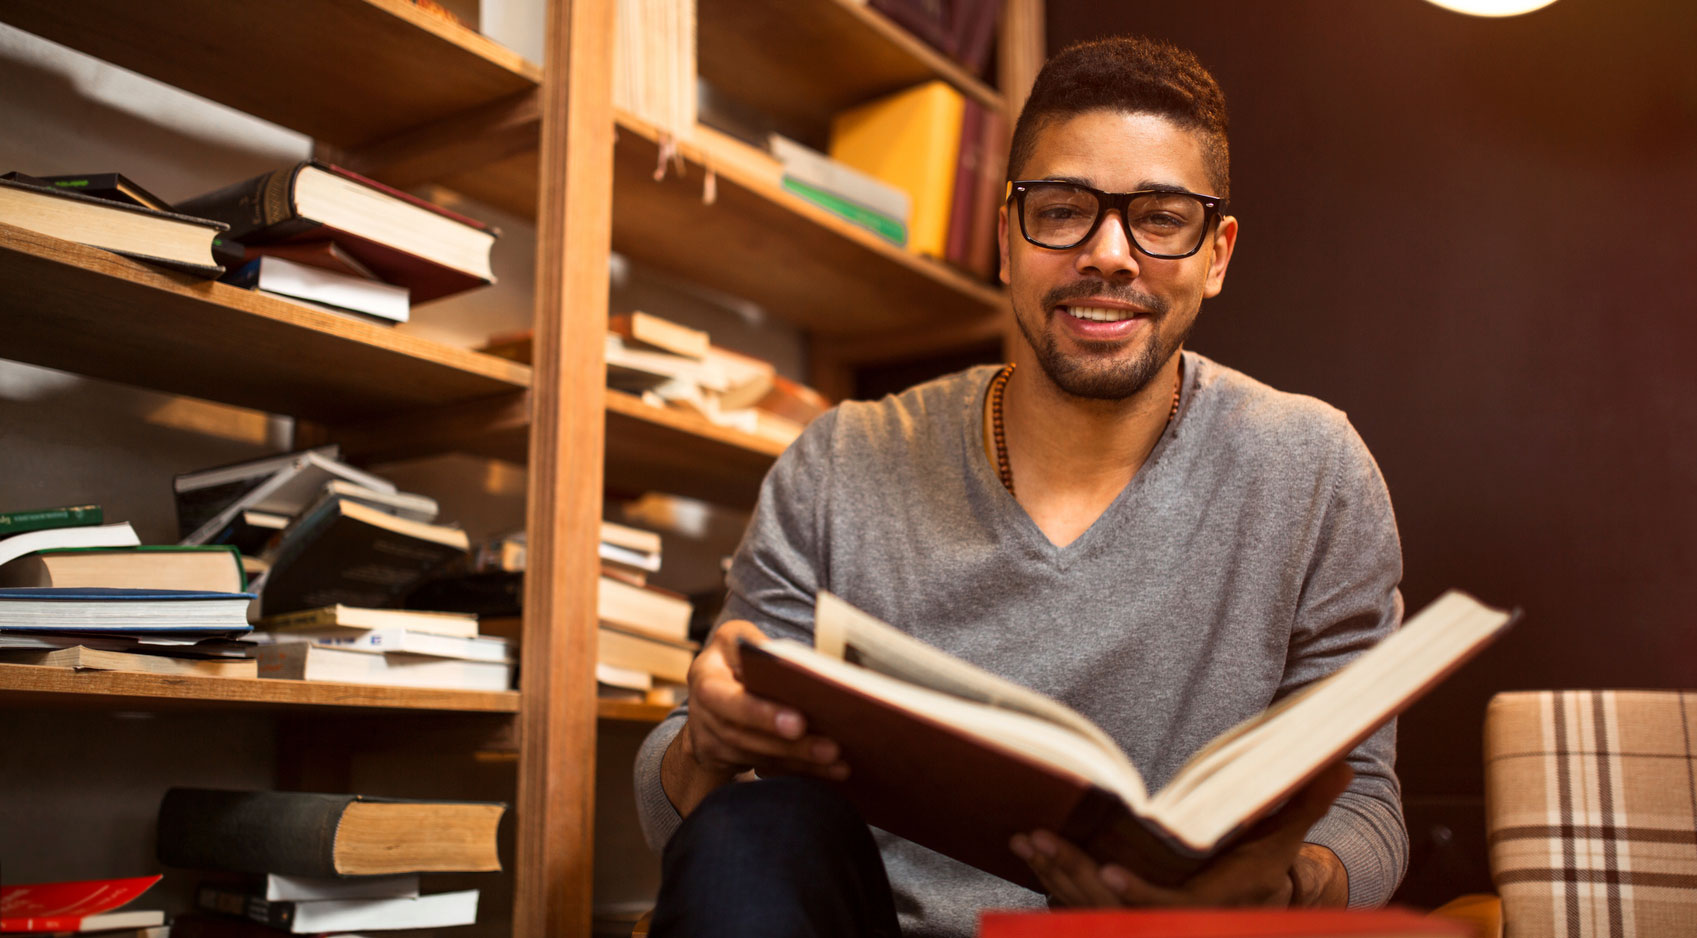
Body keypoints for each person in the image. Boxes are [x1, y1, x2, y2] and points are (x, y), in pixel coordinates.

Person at [633, 35, 1407, 938]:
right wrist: (704, 748)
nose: (1108, 255)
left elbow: (1368, 808)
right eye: (1063, 209)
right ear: (1007, 237)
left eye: (1159, 218)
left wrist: (1267, 893)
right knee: (748, 828)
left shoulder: (1313, 470)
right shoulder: (840, 461)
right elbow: (677, 816)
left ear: (1216, 253)